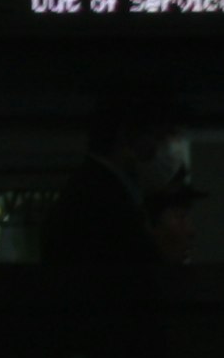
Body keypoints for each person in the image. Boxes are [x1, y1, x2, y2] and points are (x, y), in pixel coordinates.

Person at [47, 98, 186, 266]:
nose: (166, 148)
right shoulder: (100, 203)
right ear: (127, 136)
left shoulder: (99, 191)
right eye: (159, 136)